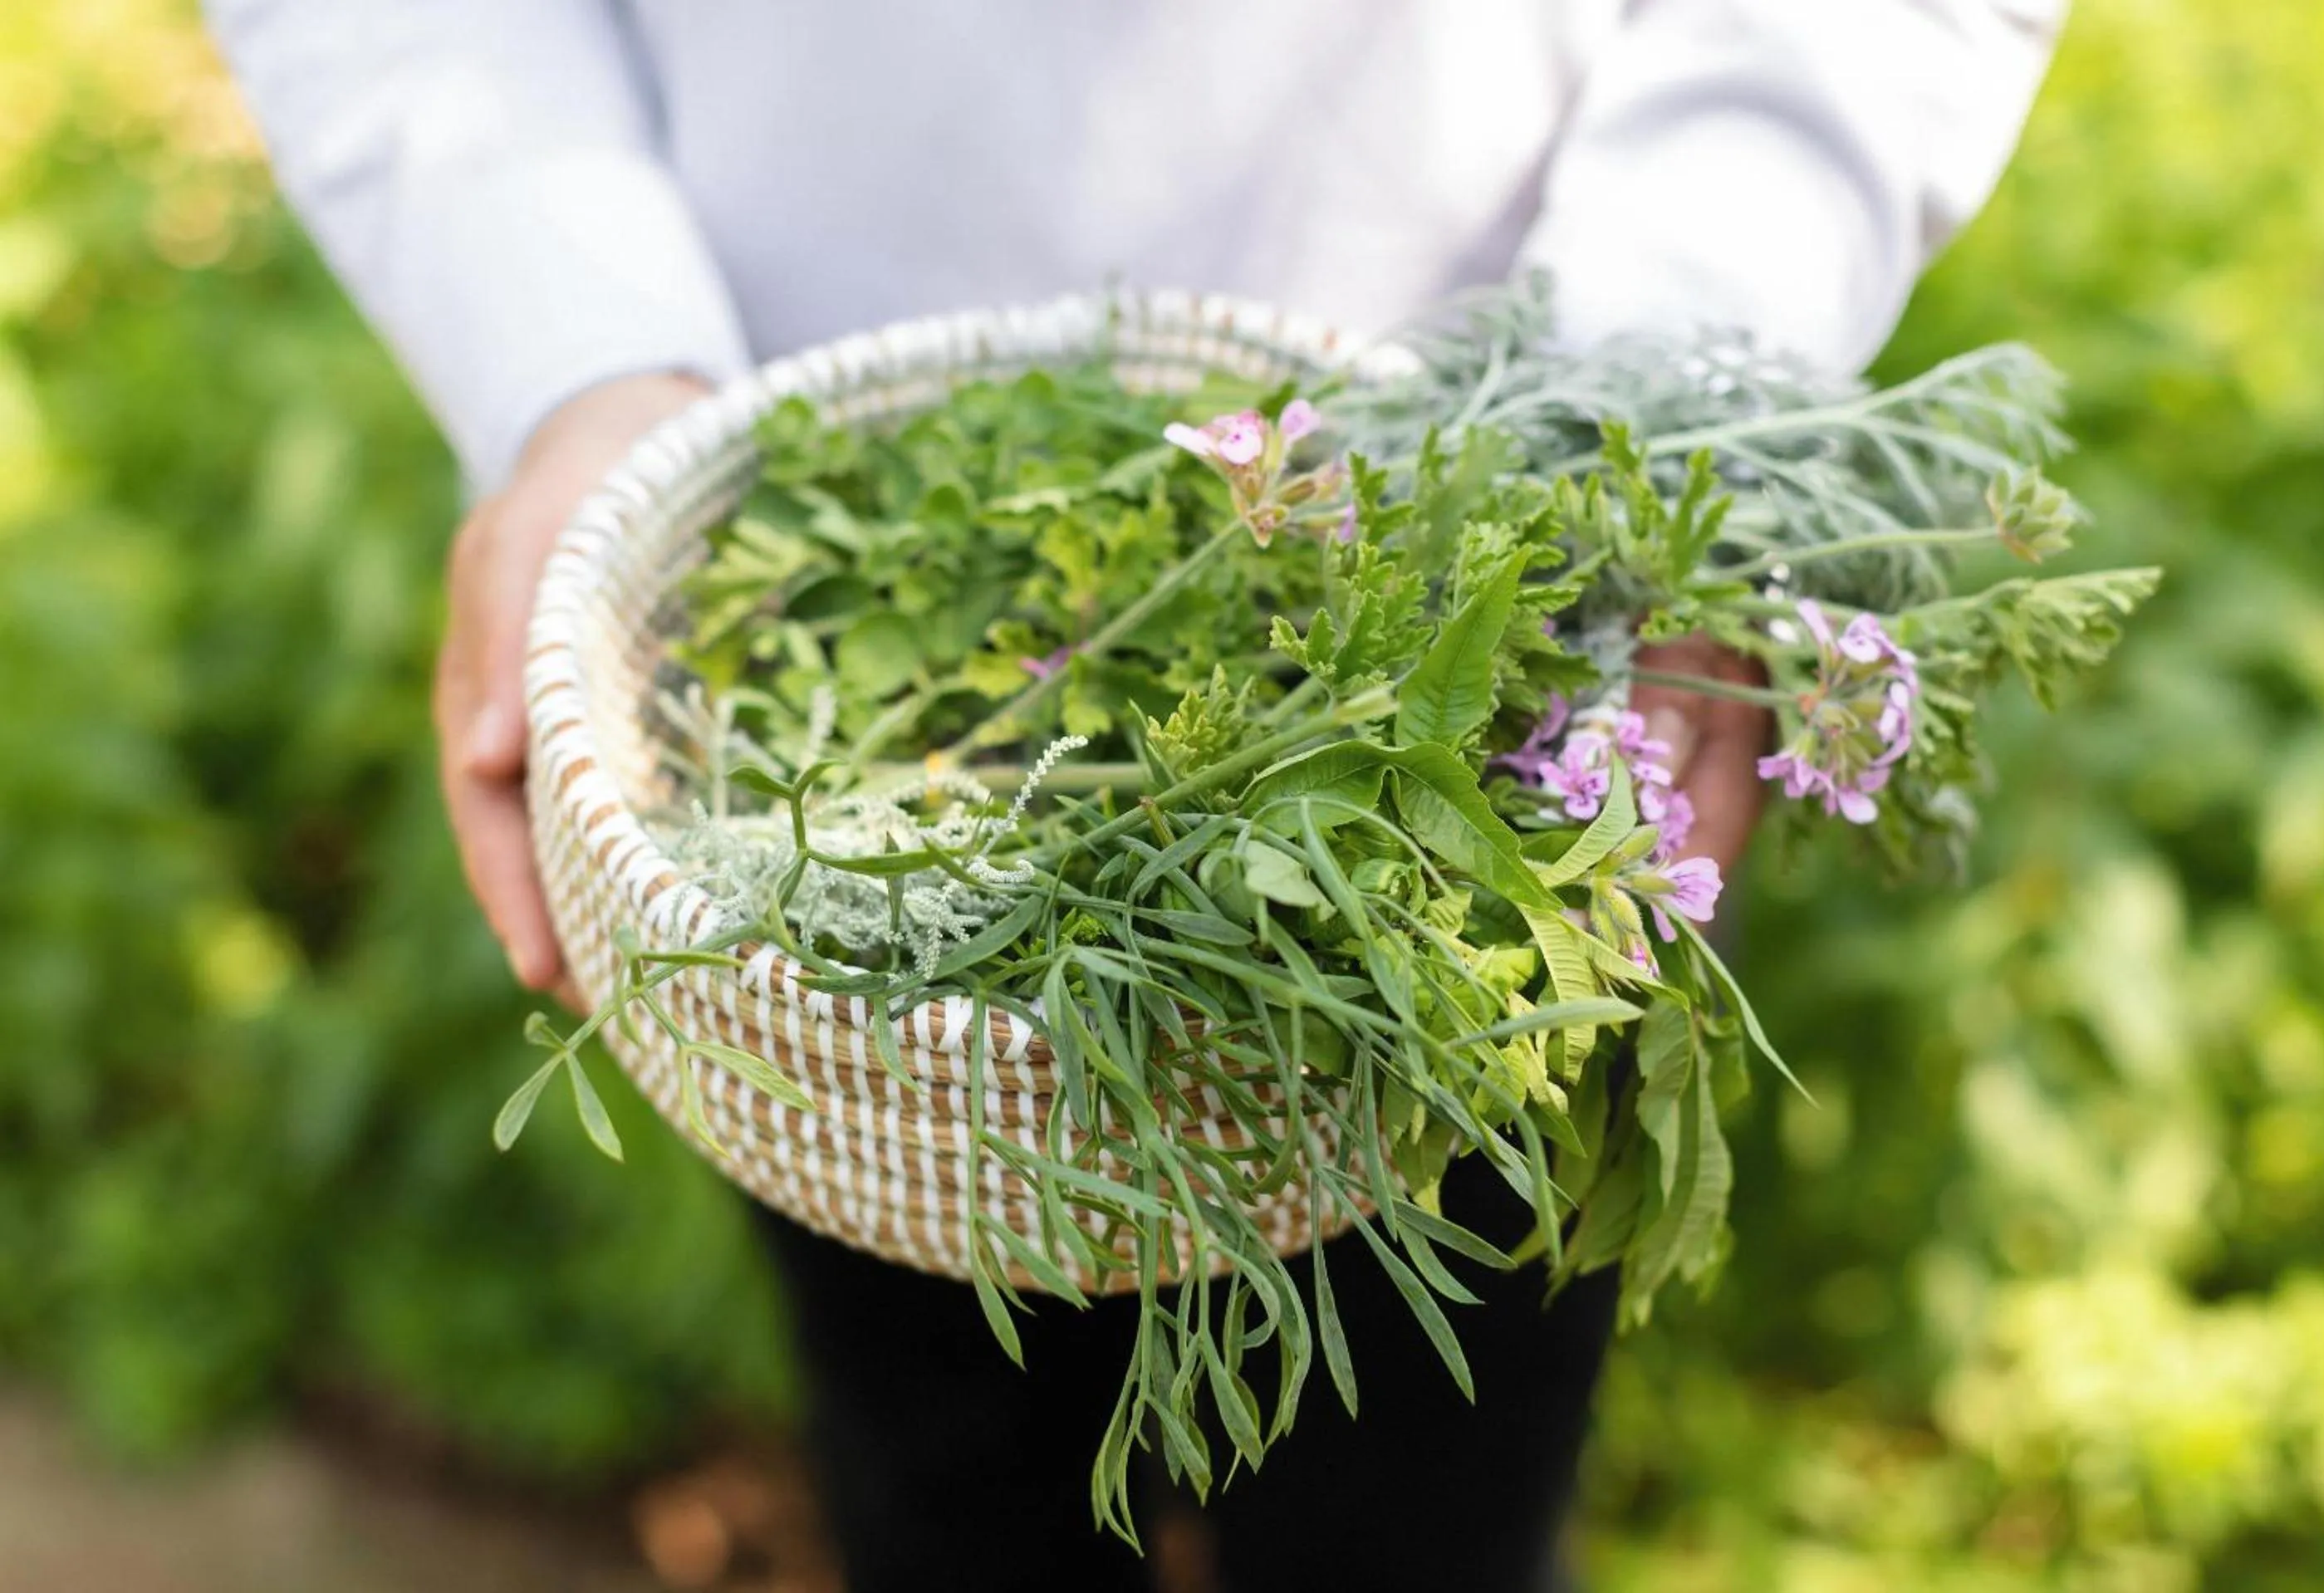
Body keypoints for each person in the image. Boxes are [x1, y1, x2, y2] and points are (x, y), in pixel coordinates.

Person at [204, 3, 2062, 1587]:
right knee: (938, 1451)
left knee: (1428, 1480)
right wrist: (570, 355)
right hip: (780, 622)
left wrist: (1662, 373)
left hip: (1495, 666)